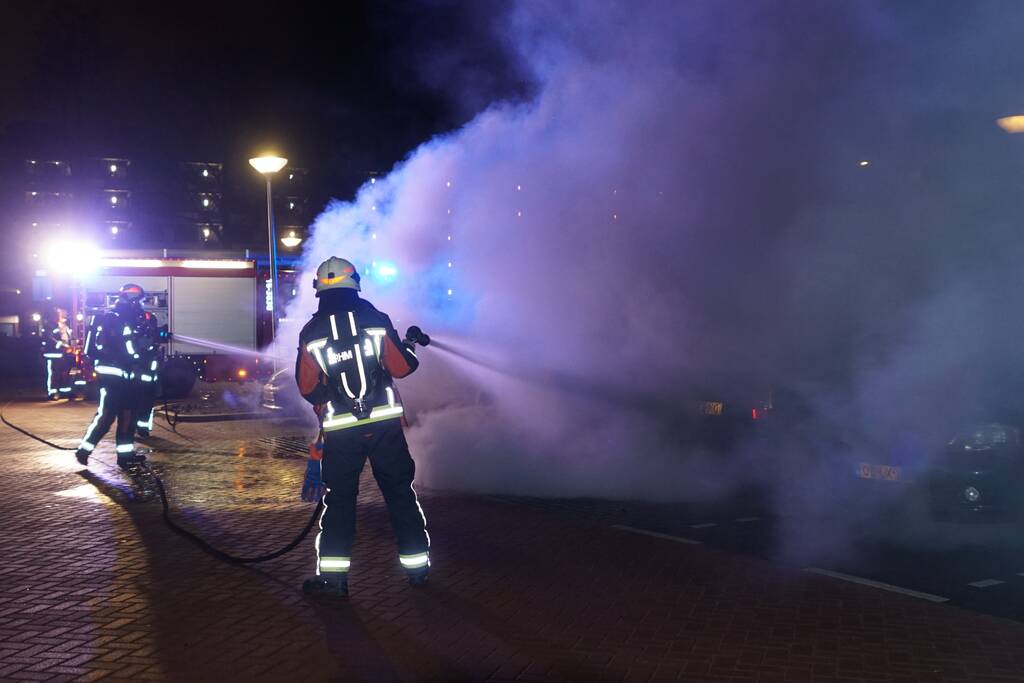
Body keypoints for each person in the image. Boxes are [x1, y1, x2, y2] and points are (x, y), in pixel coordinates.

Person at [296, 256, 429, 598]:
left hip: (341, 430)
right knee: (400, 495)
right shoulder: (375, 318)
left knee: (340, 501)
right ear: (354, 282)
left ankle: (334, 581)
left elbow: (307, 387)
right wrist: (410, 345)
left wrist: (332, 393)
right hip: (385, 424)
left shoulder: (311, 332)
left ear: (320, 289)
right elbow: (402, 368)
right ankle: (417, 570)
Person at [74, 284, 154, 469]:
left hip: (113, 374)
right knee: (115, 415)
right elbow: (130, 350)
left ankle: (121, 455)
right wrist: (144, 351)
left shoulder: (109, 317)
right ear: (132, 299)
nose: (141, 305)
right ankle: (86, 451)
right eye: (139, 301)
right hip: (121, 374)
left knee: (121, 414)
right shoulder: (122, 320)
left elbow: (93, 349)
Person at [41, 308, 74, 399]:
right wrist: (62, 345)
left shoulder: (65, 326)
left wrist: (71, 346)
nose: (64, 316)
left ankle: (65, 391)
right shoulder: (49, 326)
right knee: (54, 373)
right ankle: (53, 392)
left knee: (65, 373)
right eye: (60, 314)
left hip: (65, 354)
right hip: (53, 354)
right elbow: (49, 338)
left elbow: (69, 338)